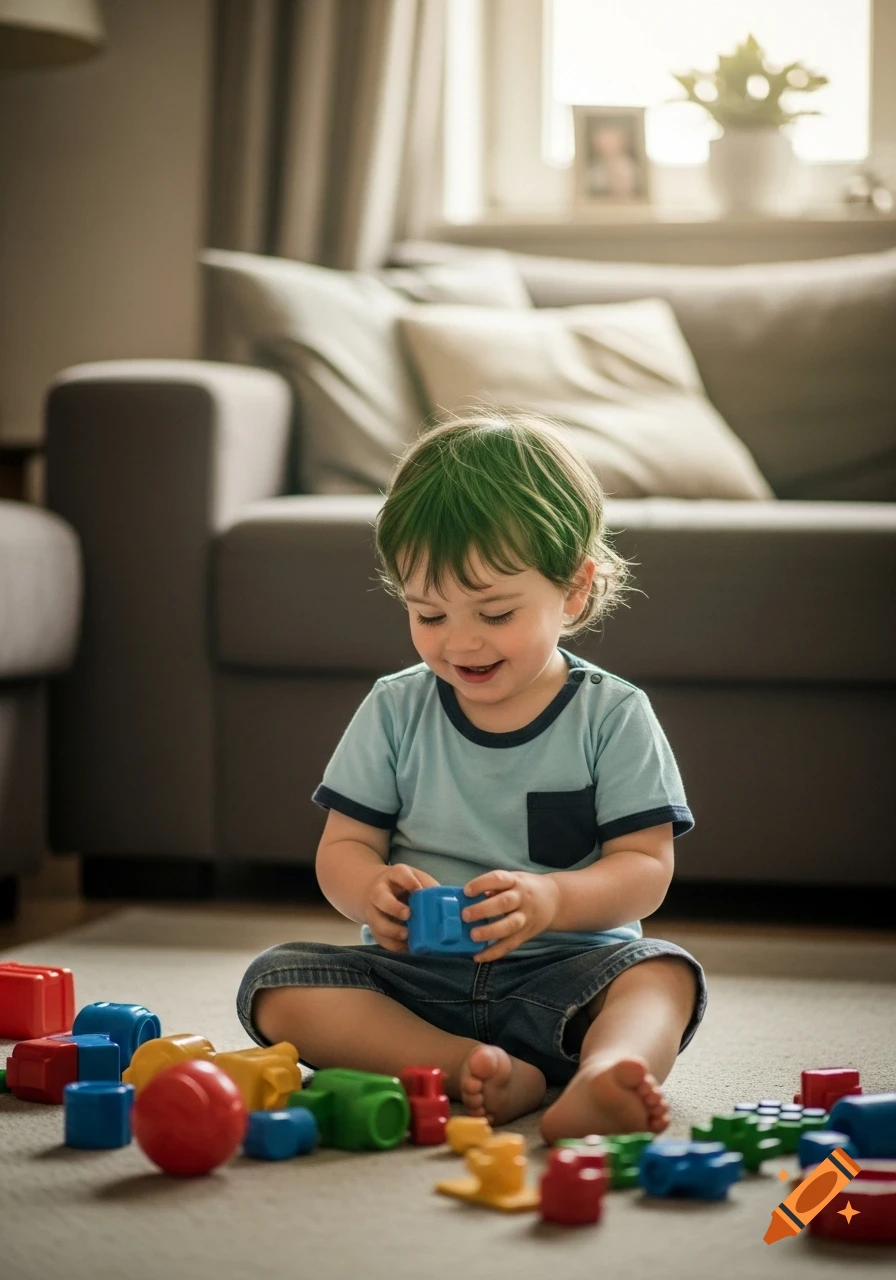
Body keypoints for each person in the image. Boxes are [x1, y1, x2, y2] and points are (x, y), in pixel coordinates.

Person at [236, 409, 707, 1142]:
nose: (460, 641)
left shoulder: (613, 714)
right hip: (417, 984)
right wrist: (370, 890)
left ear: (574, 591)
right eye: (428, 614)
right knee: (277, 983)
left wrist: (551, 898)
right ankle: (469, 1067)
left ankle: (605, 1070)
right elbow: (343, 847)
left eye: (494, 611)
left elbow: (645, 868)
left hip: (565, 975)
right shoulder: (396, 708)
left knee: (662, 975)